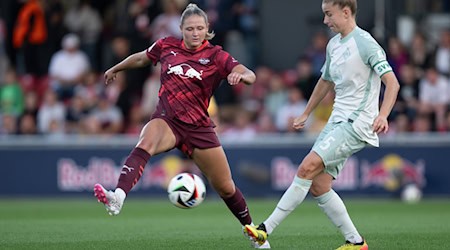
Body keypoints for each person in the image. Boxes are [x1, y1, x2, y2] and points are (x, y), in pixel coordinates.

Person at [93, 4, 270, 249]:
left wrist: (241, 76)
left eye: (200, 28)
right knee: (146, 141)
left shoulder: (217, 56)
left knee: (226, 187)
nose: (195, 33)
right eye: (190, 29)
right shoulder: (167, 45)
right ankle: (118, 197)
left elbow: (248, 73)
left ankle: (255, 235)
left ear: (207, 29)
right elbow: (142, 58)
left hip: (199, 128)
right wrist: (116, 67)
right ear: (181, 29)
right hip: (168, 120)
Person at [244, 0, 400, 249]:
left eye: (329, 14)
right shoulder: (334, 45)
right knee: (318, 185)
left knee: (306, 168)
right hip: (336, 121)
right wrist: (306, 112)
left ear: (346, 12)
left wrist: (383, 115)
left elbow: (392, 83)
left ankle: (264, 229)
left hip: (355, 122)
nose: (325, 21)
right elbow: (325, 81)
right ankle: (356, 242)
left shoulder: (366, 43)